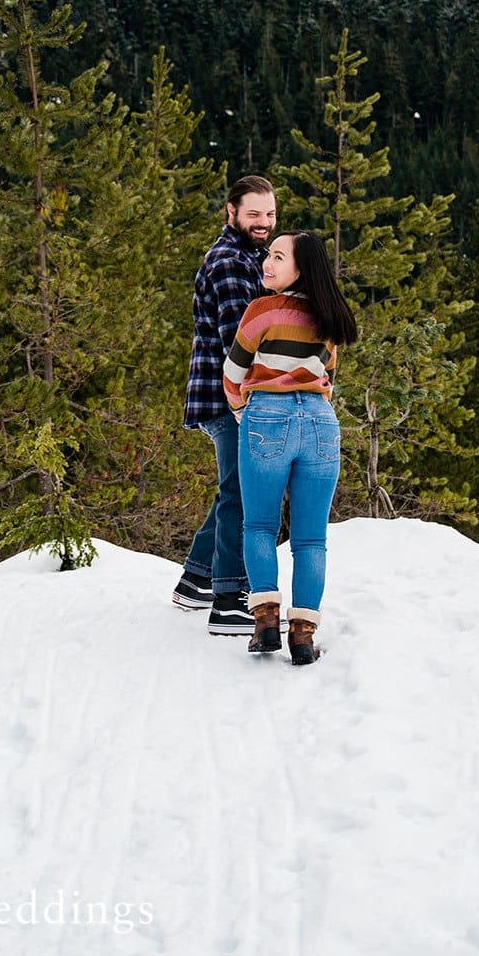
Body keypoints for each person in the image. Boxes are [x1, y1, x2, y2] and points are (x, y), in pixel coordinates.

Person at [223, 230, 358, 664]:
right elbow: (329, 378)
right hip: (320, 422)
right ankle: (302, 635)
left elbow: (232, 372)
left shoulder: (262, 310)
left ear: (301, 268)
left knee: (259, 526)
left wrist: (245, 413)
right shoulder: (328, 317)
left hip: (267, 416)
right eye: (268, 255)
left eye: (278, 257)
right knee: (310, 539)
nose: (267, 262)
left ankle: (265, 621)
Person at [173, 174, 276, 635]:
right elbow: (243, 342)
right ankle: (228, 599)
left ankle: (197, 579)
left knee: (233, 488)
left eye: (270, 214)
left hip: (228, 394)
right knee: (241, 493)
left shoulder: (250, 257)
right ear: (231, 212)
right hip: (231, 395)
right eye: (253, 213)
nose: (263, 222)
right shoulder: (231, 262)